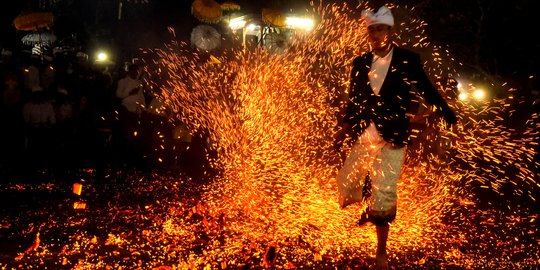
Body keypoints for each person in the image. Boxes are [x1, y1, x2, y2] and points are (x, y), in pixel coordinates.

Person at [334, 6, 457, 269]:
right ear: (368, 33)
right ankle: (369, 202)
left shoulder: (407, 59)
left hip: (393, 135)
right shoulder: (360, 63)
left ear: (390, 31)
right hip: (366, 133)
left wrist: (445, 110)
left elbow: (426, 88)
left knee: (385, 193)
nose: (376, 34)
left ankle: (381, 252)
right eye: (372, 29)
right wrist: (344, 126)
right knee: (346, 183)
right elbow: (355, 101)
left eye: (381, 29)